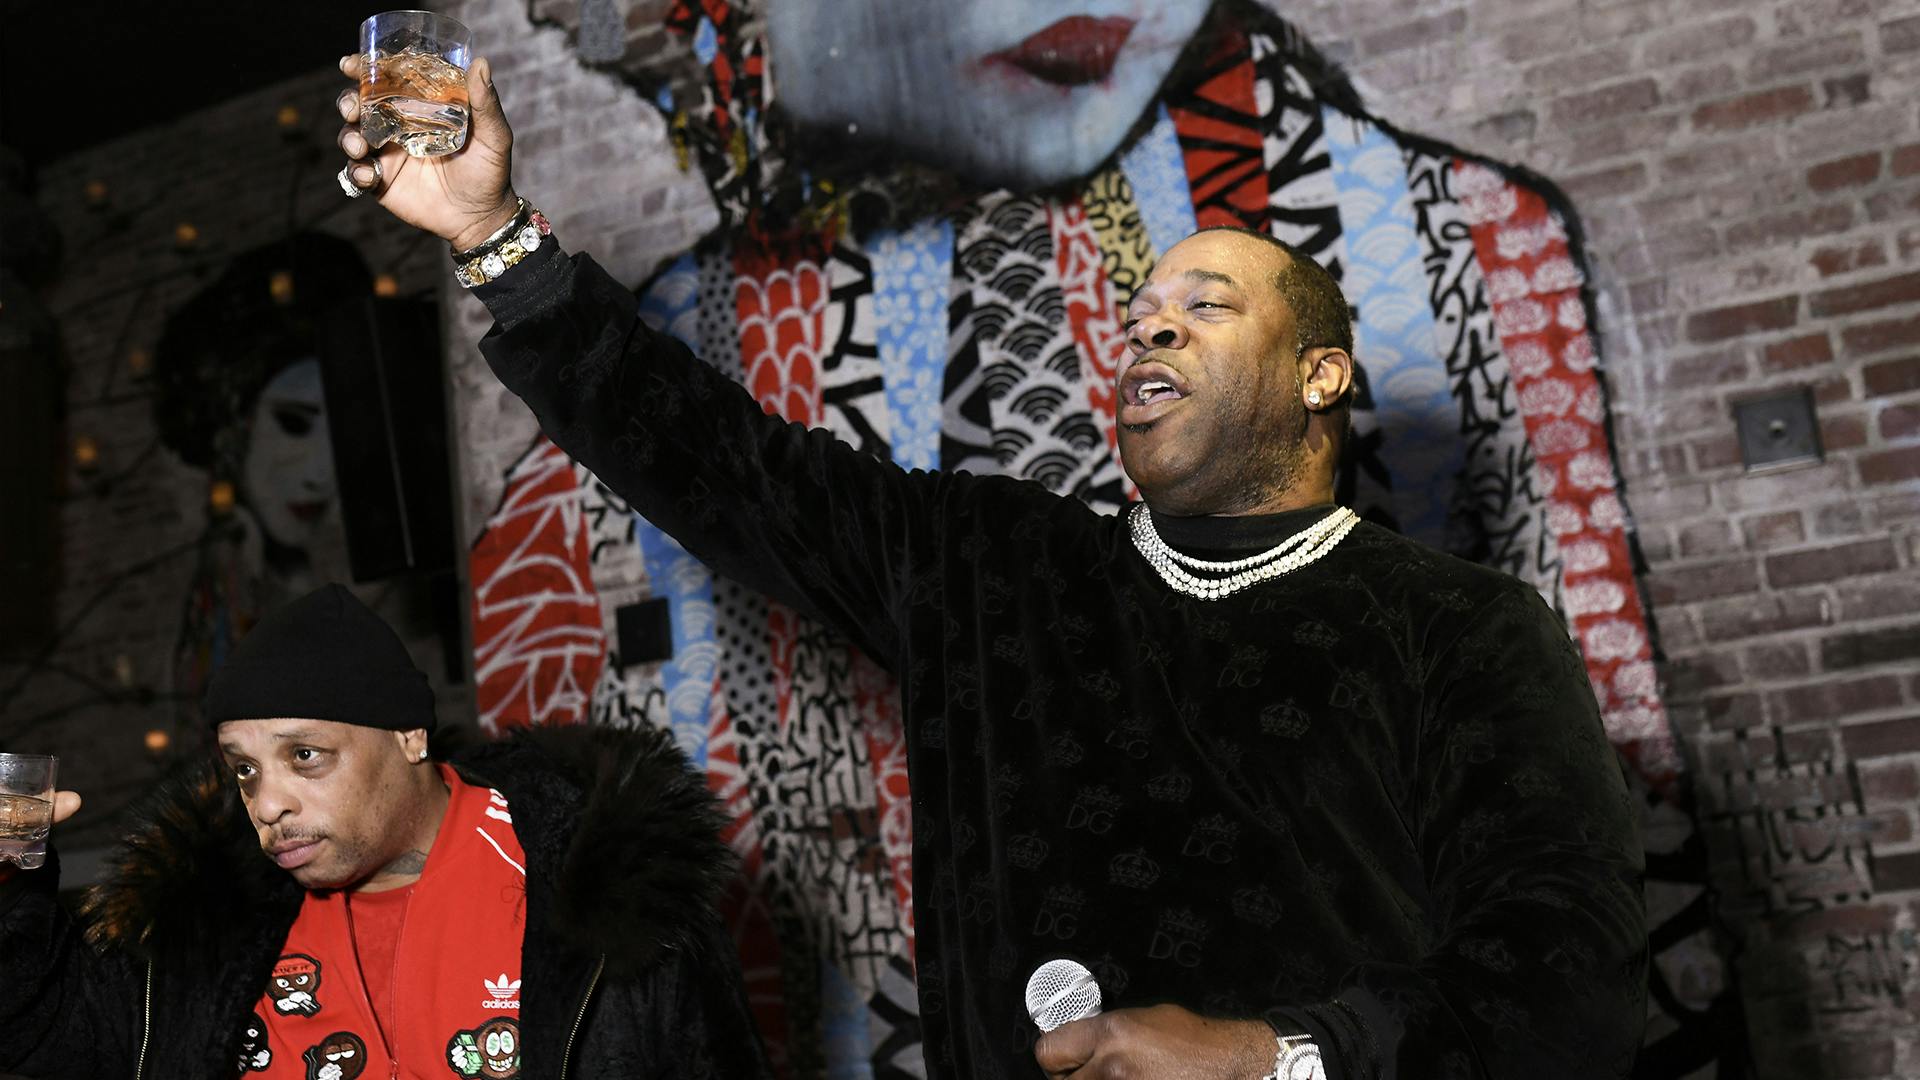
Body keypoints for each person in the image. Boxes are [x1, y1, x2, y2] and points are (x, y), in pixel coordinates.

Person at [330, 51, 1645, 1080]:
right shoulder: (995, 573)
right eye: (1139, 316)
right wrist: (496, 240)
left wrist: (1274, 1055)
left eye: (1208, 308)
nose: (1152, 332)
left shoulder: (1462, 630)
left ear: (1321, 374)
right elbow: (718, 461)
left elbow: (1562, 981)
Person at [0, 584, 770, 1080]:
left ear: (408, 737)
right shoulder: (207, 929)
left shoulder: (604, 899)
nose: (266, 804)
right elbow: (44, 1031)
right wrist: (10, 879)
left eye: (304, 756)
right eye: (243, 770)